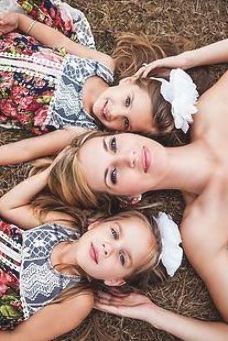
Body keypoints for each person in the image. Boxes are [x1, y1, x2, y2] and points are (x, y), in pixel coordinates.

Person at [33, 63, 228, 337]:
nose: (128, 158)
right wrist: (154, 315)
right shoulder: (202, 232)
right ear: (129, 197)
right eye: (113, 175)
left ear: (125, 132)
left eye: (113, 145)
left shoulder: (213, 114)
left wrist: (186, 59)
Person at [0, 152, 183, 339]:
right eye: (114, 233)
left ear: (116, 280)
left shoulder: (78, 300)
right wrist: (51, 171)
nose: (108, 248)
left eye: (122, 258)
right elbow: (8, 206)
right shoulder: (64, 226)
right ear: (96, 224)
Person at [0, 5, 206, 165]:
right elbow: (60, 42)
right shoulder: (102, 64)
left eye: (125, 122)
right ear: (129, 81)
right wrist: (22, 22)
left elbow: (27, 149)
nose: (114, 112)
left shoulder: (79, 130)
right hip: (8, 42)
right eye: (127, 101)